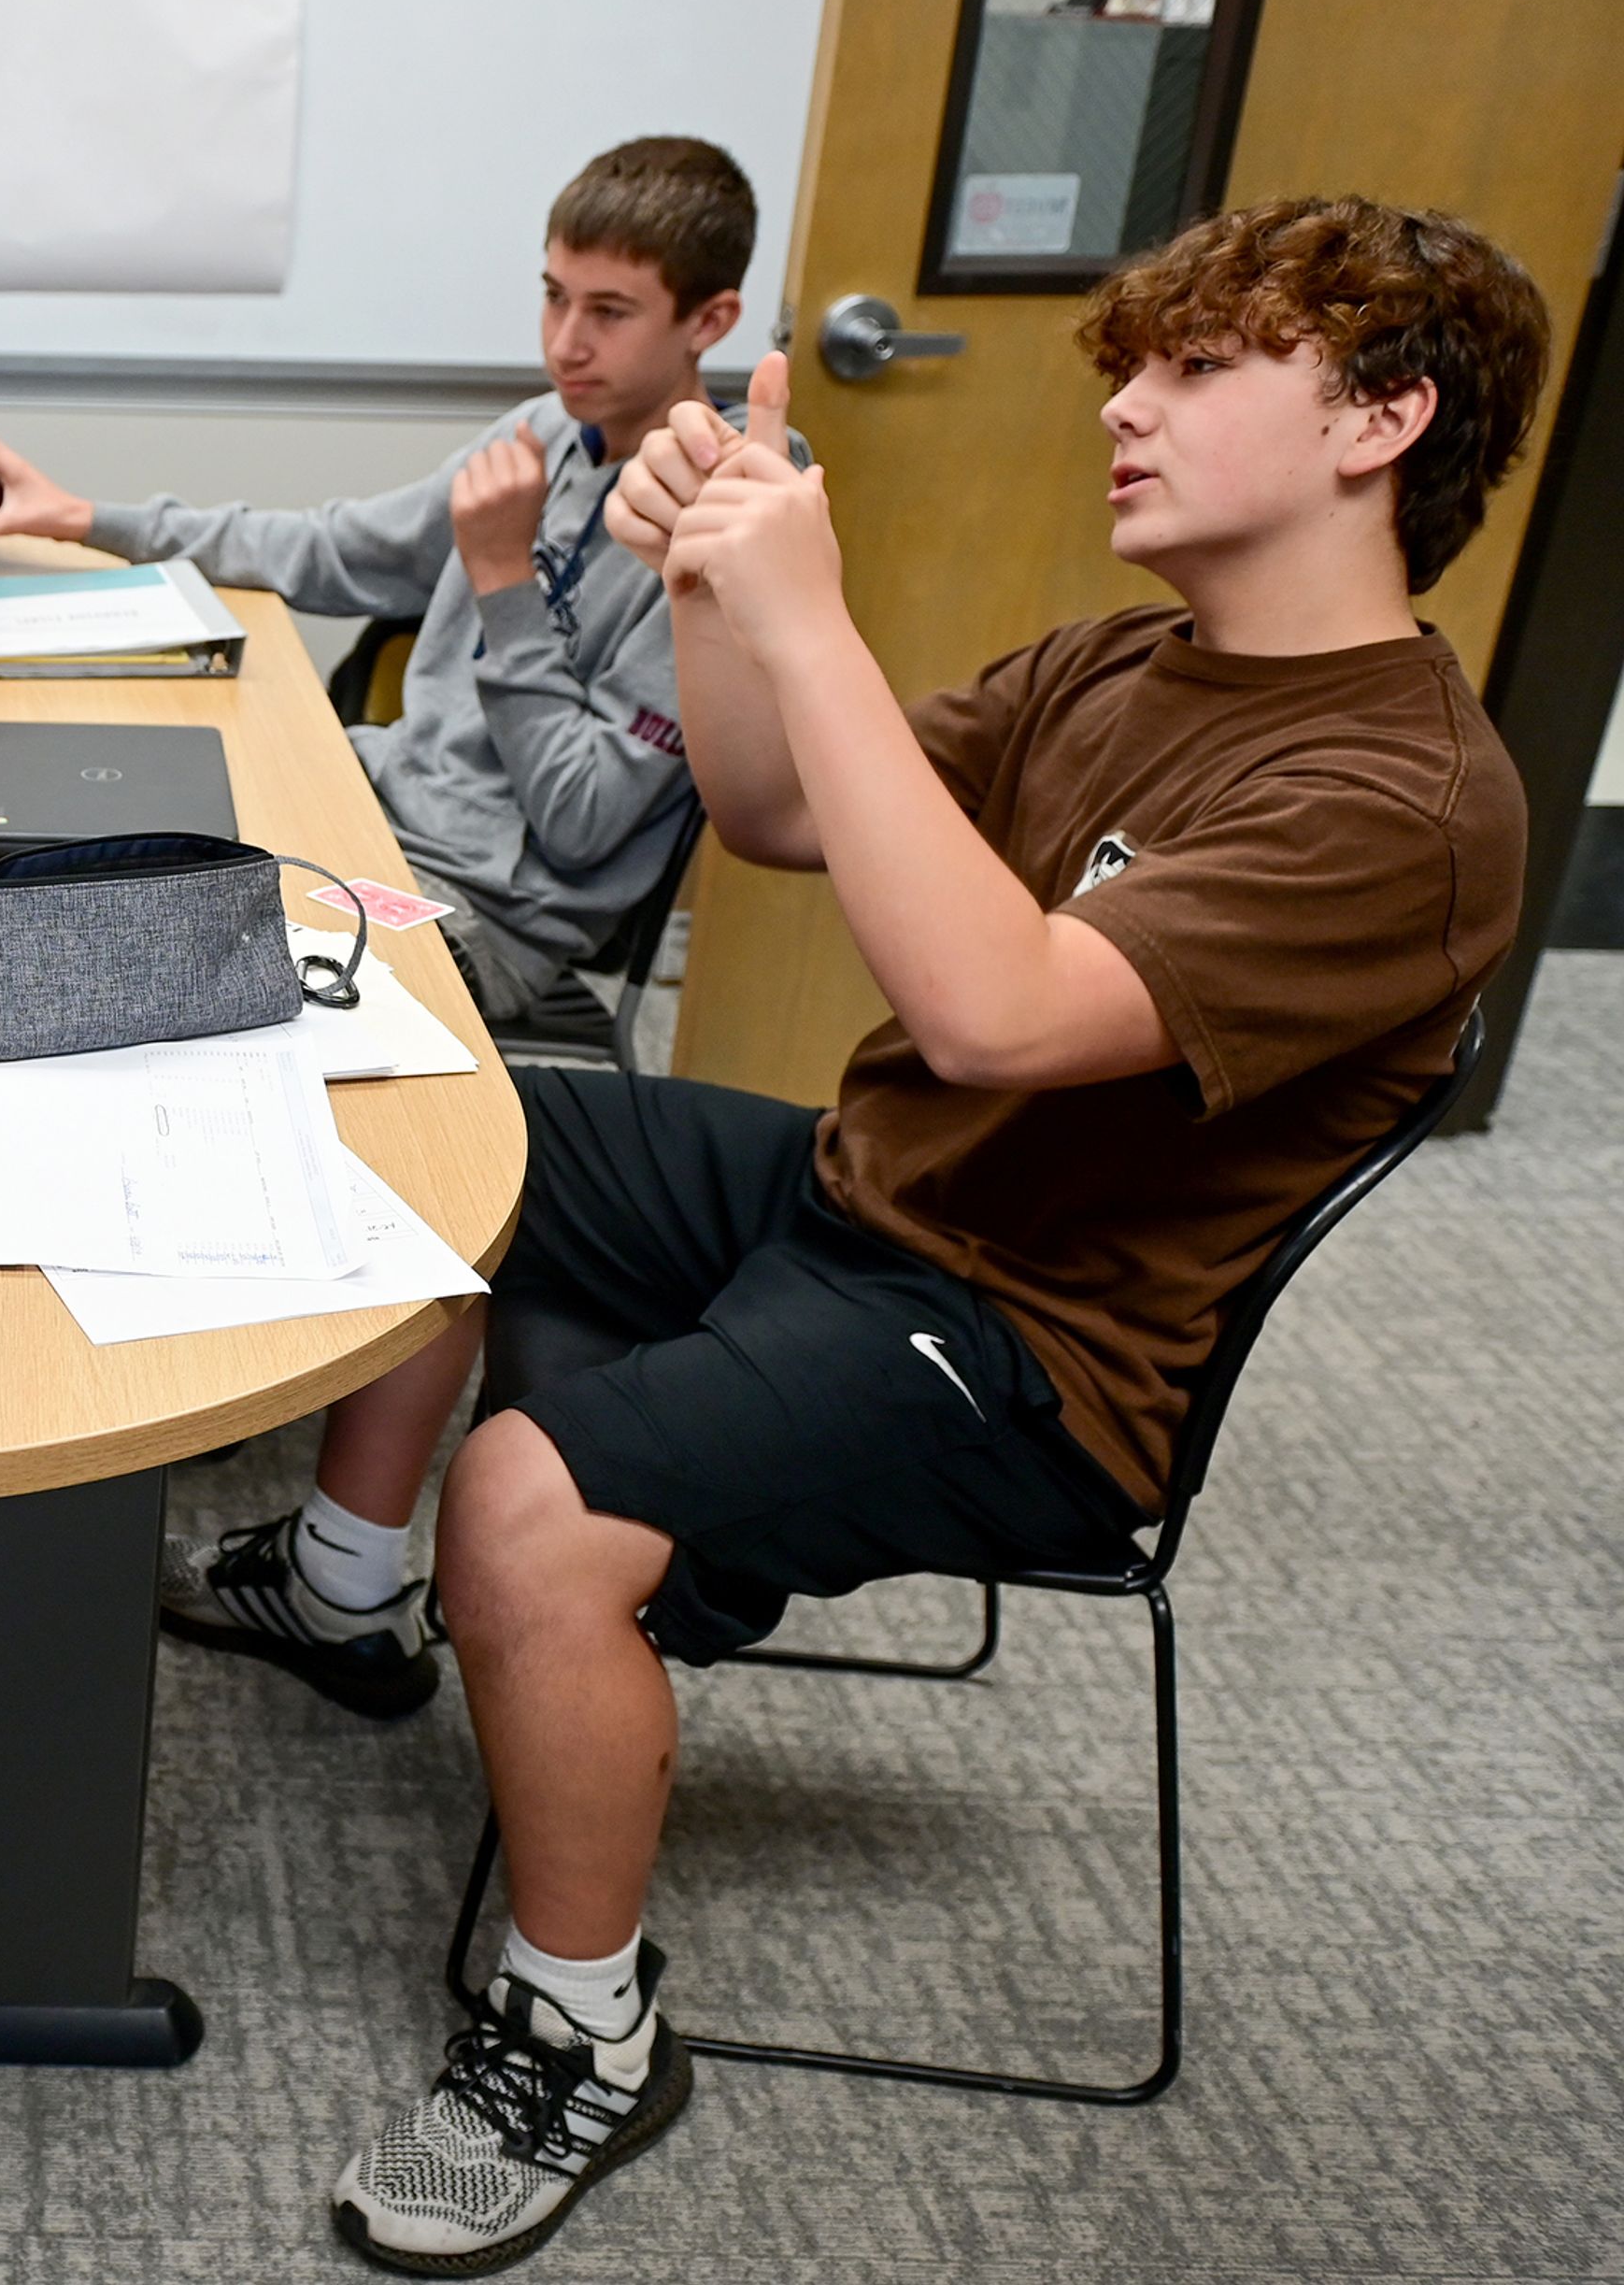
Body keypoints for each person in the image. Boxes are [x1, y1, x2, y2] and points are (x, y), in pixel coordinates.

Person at [306, 195, 1545, 2273]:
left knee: (525, 1504)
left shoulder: (1404, 799)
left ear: (1386, 421)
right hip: (868, 1194)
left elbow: (996, 1013)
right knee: (439, 1125)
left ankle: (584, 2032)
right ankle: (337, 1583)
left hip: (1031, 1343)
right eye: (1131, 367)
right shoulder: (1122, 661)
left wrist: (808, 613)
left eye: (1194, 369)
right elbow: (777, 811)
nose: (1125, 410)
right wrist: (721, 574)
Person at [0, 136, 795, 1045]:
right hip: (364, 807)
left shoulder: (732, 500)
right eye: (553, 296)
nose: (565, 343)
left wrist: (501, 580)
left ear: (710, 320)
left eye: (610, 311)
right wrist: (83, 516)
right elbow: (333, 548)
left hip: (476, 910)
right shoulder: (546, 428)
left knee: (83, 978)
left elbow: (582, 821)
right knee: (33, 866)